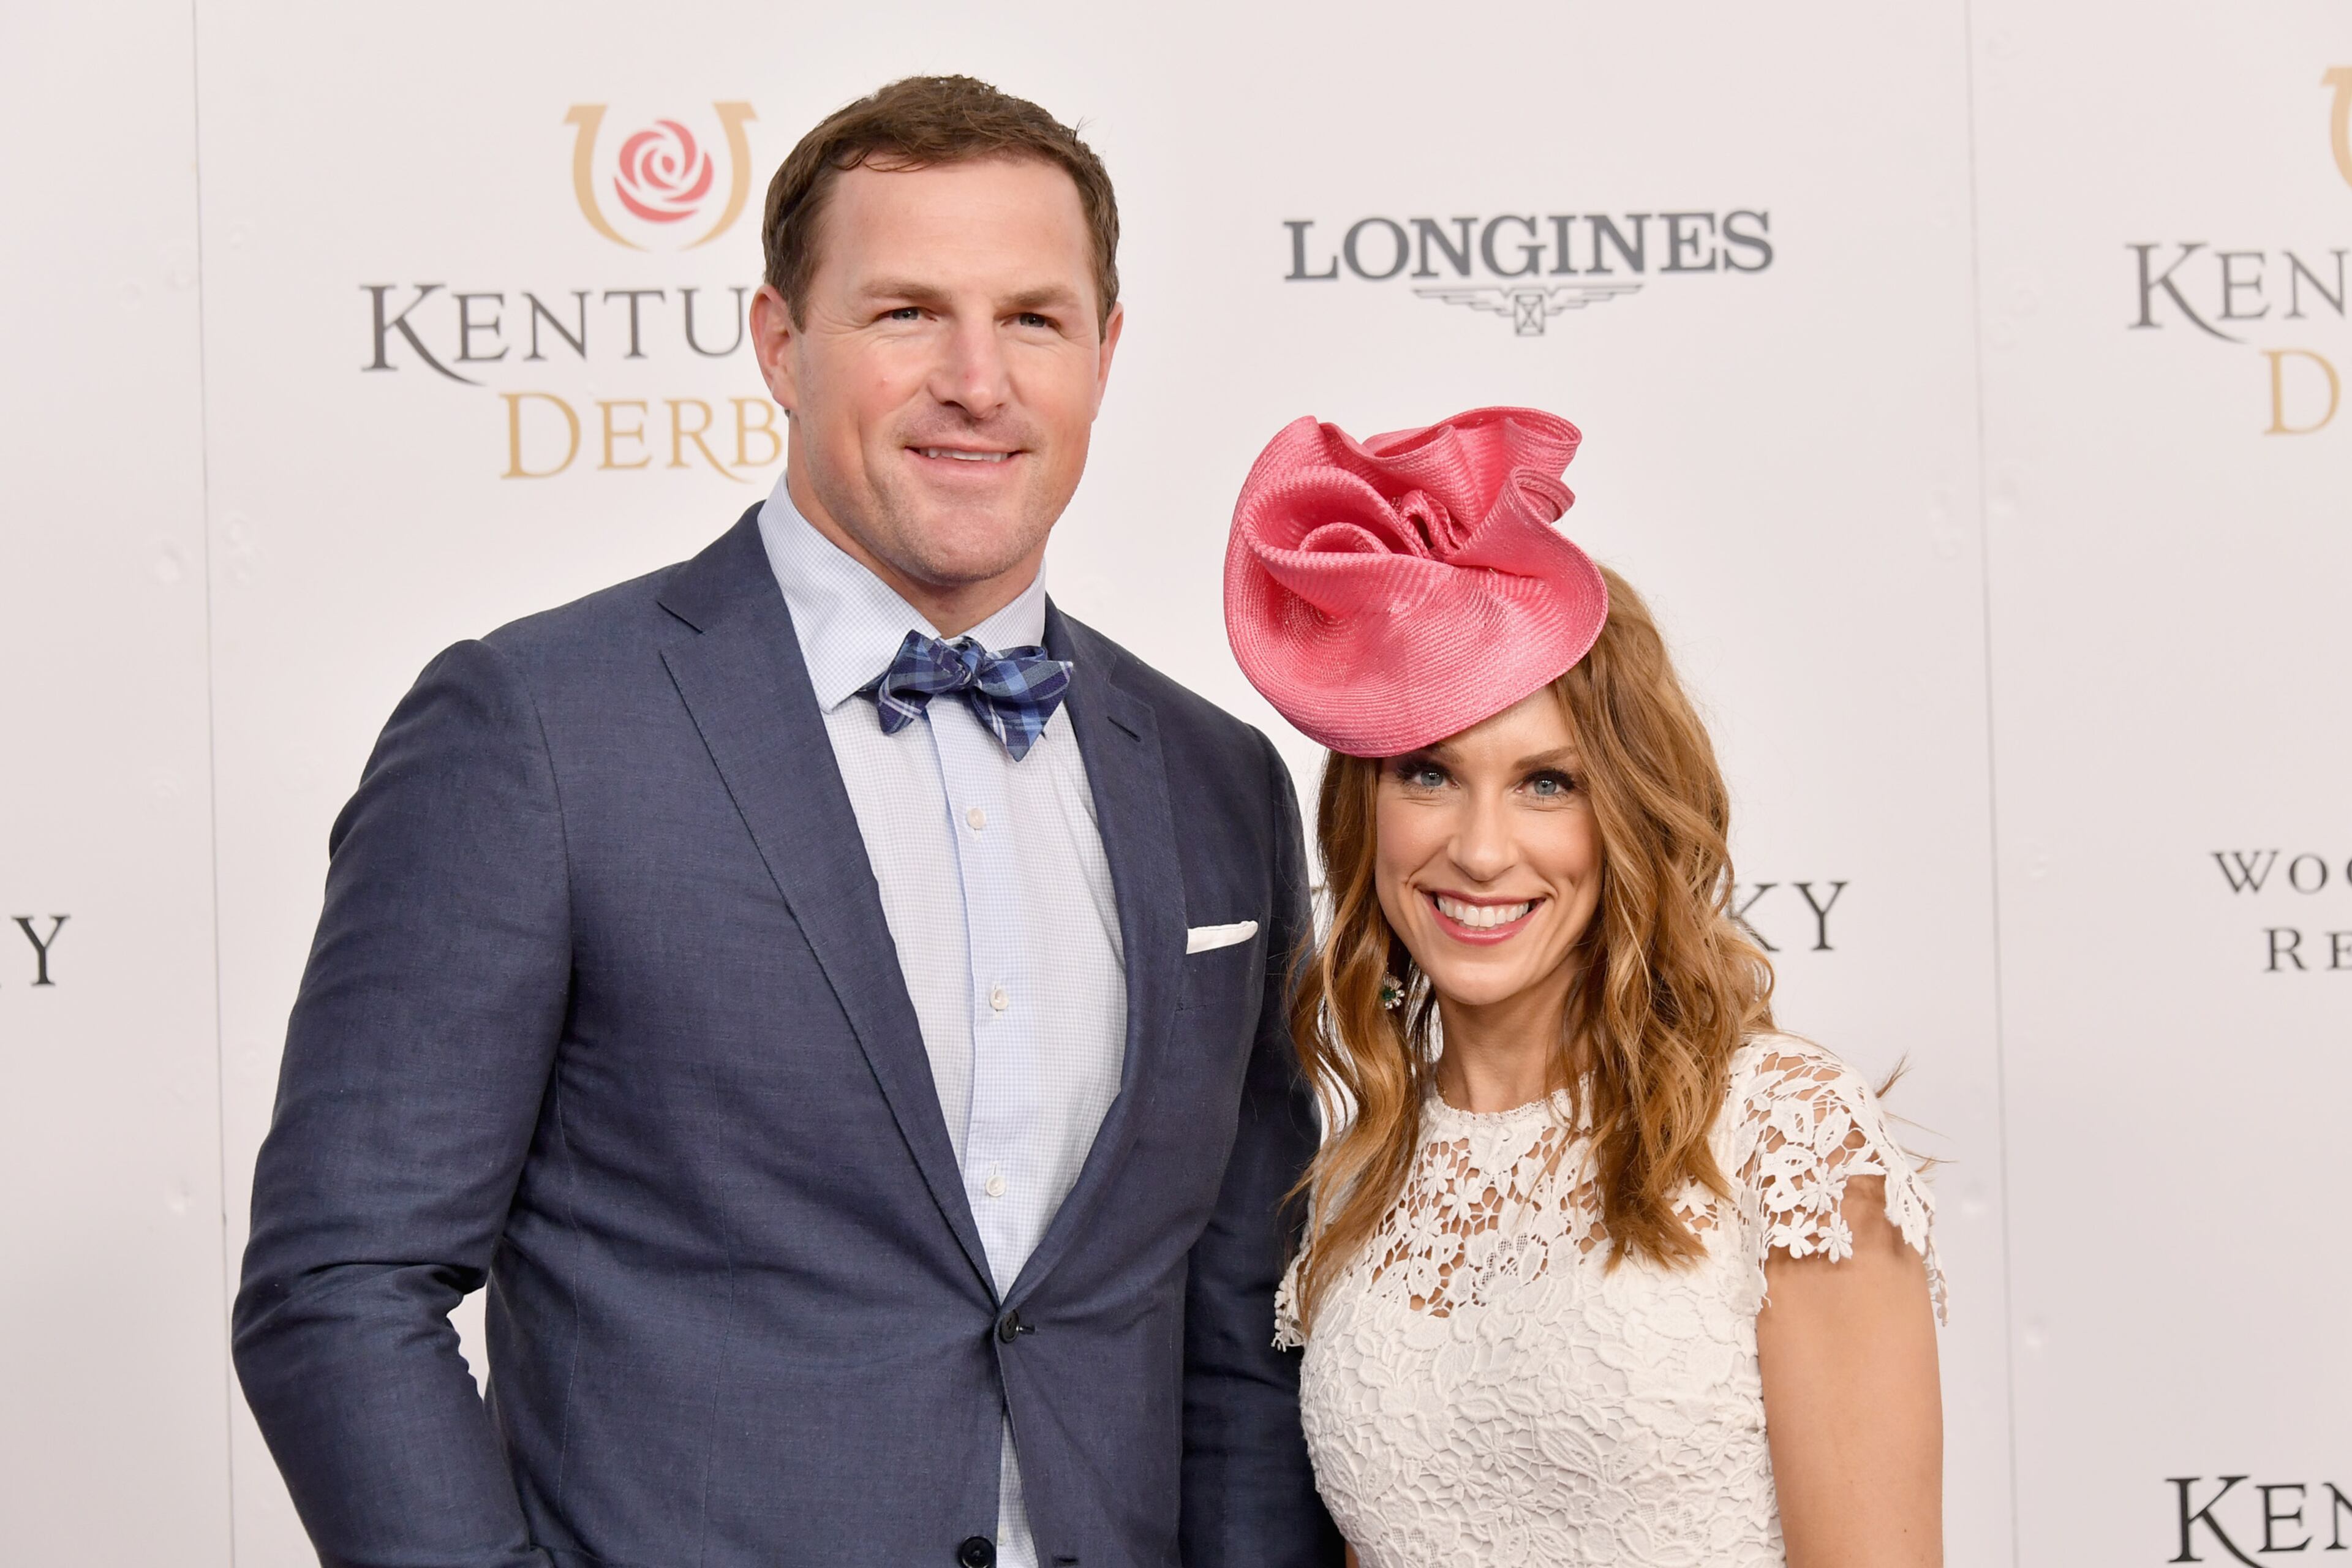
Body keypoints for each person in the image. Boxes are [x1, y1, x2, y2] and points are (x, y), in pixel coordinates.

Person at [234, 75, 1340, 1568]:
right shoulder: (538, 730)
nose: (976, 378)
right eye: (904, 315)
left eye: (1033, 317)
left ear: (1105, 352)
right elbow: (340, 1279)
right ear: (780, 344)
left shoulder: (1218, 777)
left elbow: (1234, 1312)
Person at [1223, 406, 1946, 1566]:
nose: (1480, 848)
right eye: (1431, 774)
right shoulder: (1360, 1177)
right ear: (1367, 810)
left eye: (1548, 783)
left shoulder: (1785, 1135)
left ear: (1627, 814)